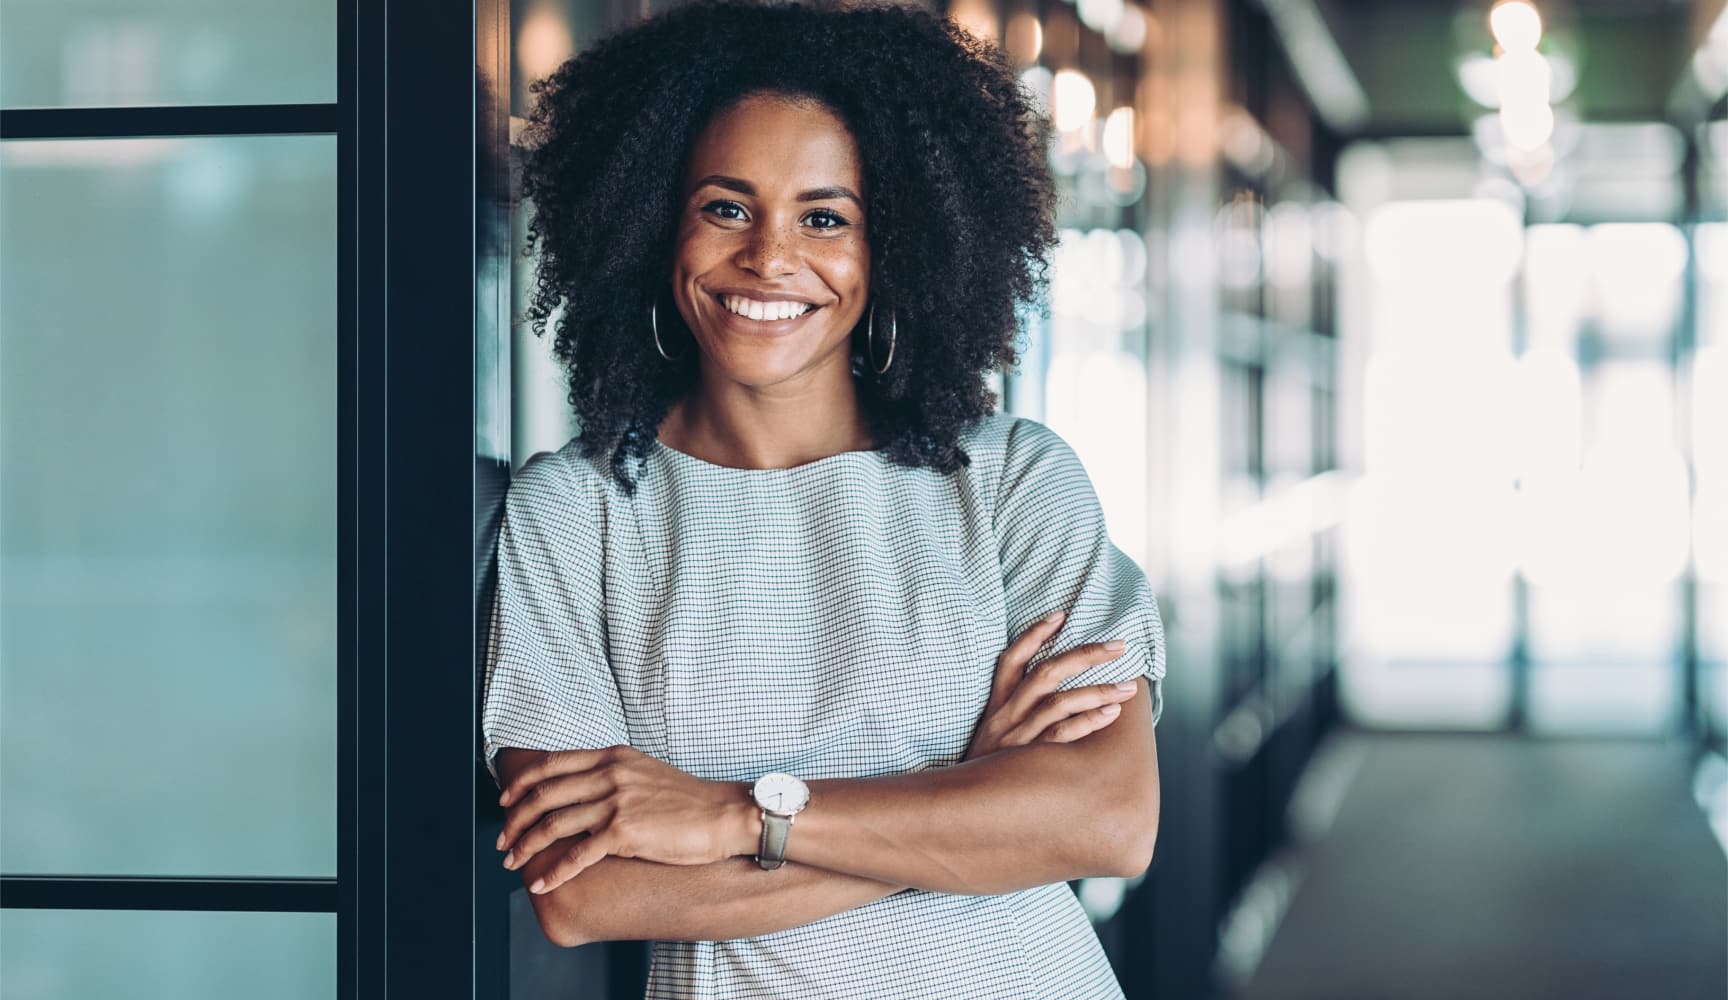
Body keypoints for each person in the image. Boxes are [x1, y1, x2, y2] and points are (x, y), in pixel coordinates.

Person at [480, 2, 1167, 996]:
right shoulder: (576, 513)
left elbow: (1106, 821)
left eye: (824, 216)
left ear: (892, 244)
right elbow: (585, 891)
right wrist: (964, 808)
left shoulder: (1015, 480)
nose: (769, 256)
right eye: (726, 206)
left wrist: (738, 816)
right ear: (653, 220)